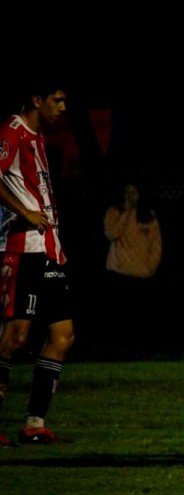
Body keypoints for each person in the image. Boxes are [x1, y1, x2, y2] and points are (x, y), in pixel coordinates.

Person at [0, 80, 74, 446]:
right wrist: (24, 212)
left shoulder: (39, 135)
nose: (63, 107)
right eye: (57, 100)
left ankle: (34, 423)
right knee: (15, 337)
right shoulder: (12, 131)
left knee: (63, 335)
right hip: (21, 248)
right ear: (36, 99)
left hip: (48, 248)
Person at [103, 181, 163, 358]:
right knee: (120, 317)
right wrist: (126, 213)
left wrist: (151, 266)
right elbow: (112, 233)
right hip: (118, 272)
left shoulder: (148, 216)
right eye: (127, 193)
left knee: (141, 318)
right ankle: (118, 351)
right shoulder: (114, 212)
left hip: (141, 273)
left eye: (133, 193)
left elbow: (156, 244)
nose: (130, 197)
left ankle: (142, 351)